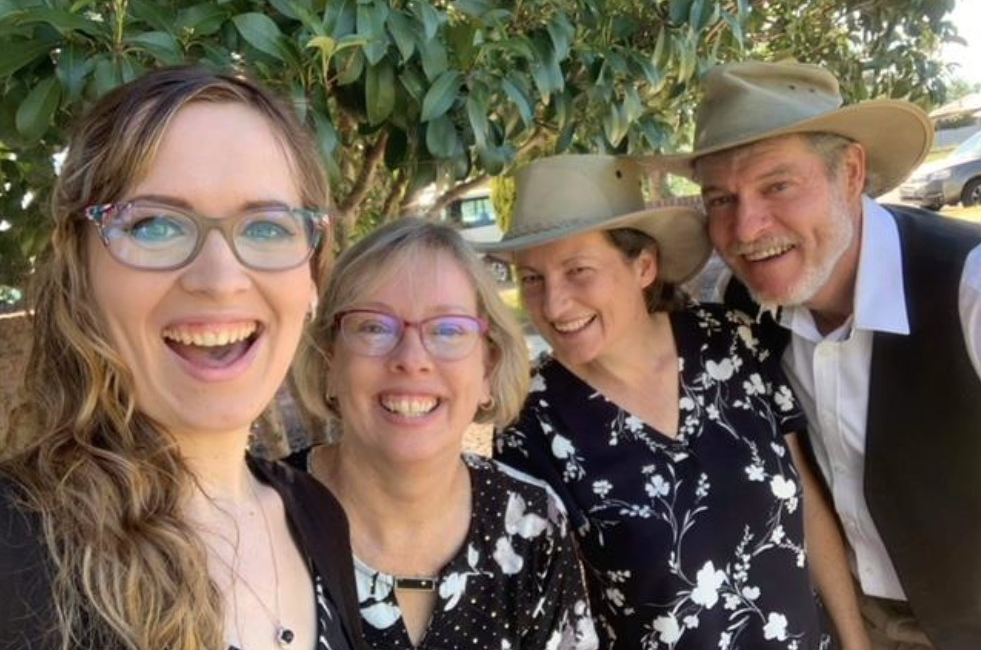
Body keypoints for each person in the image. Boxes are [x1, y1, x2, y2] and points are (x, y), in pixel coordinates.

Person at [0, 66, 364, 650]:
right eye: (155, 225)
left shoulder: (318, 519)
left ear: (313, 278)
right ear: (80, 273)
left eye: (266, 228)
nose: (220, 280)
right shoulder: (15, 551)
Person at [481, 154, 869, 650]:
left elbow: (807, 507)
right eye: (531, 278)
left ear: (644, 265)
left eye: (578, 270)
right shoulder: (531, 421)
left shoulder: (731, 341)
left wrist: (856, 640)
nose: (553, 305)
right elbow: (550, 610)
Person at [657, 60, 981, 650]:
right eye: (721, 199)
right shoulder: (747, 308)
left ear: (851, 172)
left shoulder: (969, 287)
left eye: (777, 185)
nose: (747, 227)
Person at [290, 218, 598, 650]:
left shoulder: (532, 524)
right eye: (375, 326)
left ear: (487, 369)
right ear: (328, 363)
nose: (412, 359)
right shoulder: (257, 519)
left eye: (448, 329)